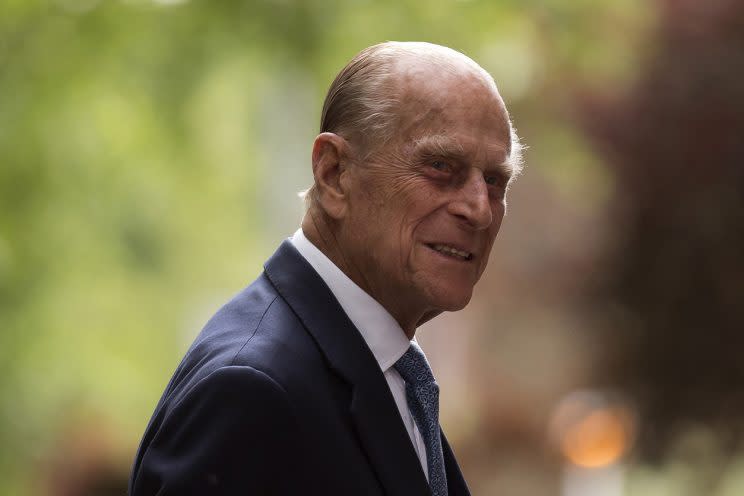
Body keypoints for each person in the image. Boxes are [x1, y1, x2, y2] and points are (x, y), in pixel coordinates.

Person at [129, 41, 523, 496]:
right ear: (334, 174)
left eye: (495, 180)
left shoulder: (384, 369)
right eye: (440, 166)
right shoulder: (252, 391)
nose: (480, 210)